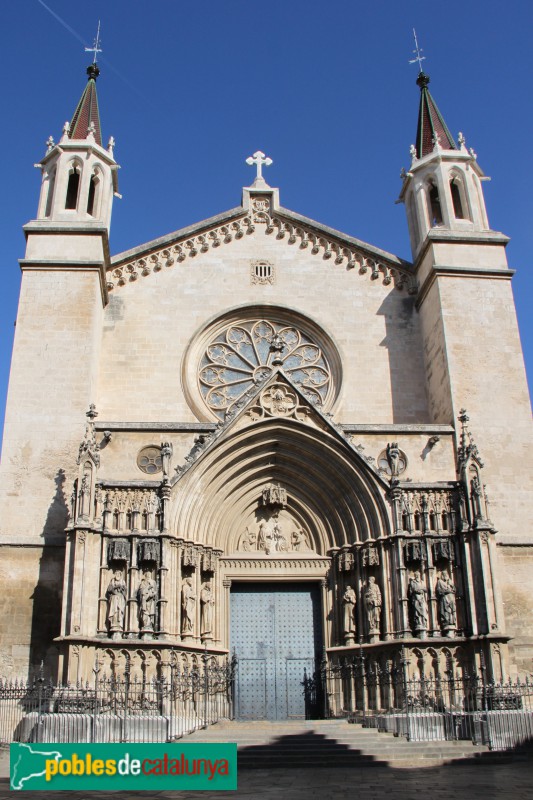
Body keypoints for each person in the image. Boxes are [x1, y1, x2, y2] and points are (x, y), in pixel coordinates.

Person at [106, 569, 127, 635]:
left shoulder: (123, 582)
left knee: (119, 611)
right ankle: (114, 624)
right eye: (116, 574)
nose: (117, 575)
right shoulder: (112, 581)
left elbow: (125, 591)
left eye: (119, 574)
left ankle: (119, 625)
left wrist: (121, 589)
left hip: (120, 598)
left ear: (121, 575)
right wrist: (115, 587)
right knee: (114, 611)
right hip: (114, 598)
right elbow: (109, 589)